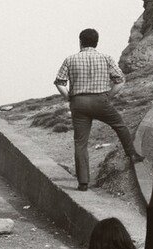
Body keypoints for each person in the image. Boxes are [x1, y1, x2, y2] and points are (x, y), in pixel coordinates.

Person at [54, 28, 143, 192]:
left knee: (80, 143)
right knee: (119, 125)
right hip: (100, 100)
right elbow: (120, 80)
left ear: (80, 41)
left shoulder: (70, 59)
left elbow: (59, 82)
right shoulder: (106, 58)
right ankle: (132, 154)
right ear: (96, 42)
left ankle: (83, 183)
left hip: (78, 103)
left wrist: (69, 97)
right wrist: (109, 96)